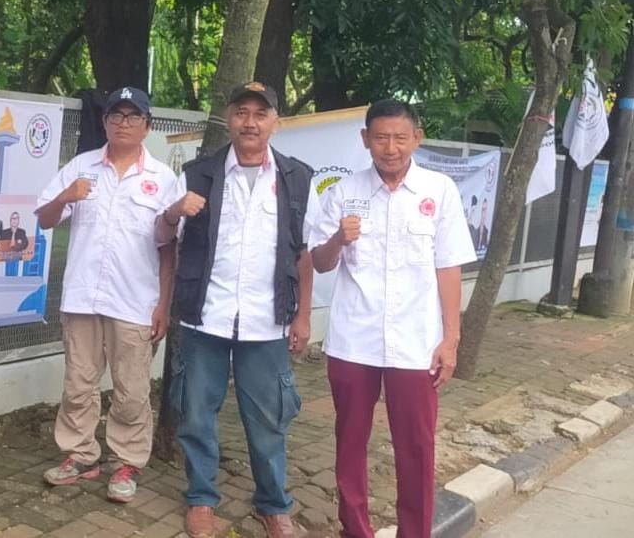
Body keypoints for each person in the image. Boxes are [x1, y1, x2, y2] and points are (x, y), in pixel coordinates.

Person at [310, 99, 475, 538]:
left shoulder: (439, 191)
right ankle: (355, 529)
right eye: (381, 137)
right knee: (350, 441)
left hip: (417, 343)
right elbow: (320, 262)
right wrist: (337, 240)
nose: (390, 148)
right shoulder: (343, 192)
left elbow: (449, 267)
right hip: (354, 340)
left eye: (400, 138)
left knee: (417, 445)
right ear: (365, 139)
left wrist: (451, 340)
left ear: (417, 138)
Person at [154, 82, 313, 538]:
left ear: (275, 122)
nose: (250, 122)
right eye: (242, 112)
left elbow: (304, 252)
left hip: (267, 320)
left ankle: (273, 505)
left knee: (269, 420)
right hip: (204, 314)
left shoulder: (297, 178)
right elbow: (163, 239)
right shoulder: (197, 175)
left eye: (260, 114)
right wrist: (172, 212)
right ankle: (201, 499)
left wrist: (302, 315)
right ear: (228, 119)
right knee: (196, 414)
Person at [36, 86, 177, 504]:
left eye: (133, 117)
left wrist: (164, 305)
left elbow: (169, 248)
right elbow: (44, 220)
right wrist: (66, 196)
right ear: (105, 122)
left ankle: (127, 462)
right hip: (82, 297)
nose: (123, 124)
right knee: (78, 383)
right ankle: (80, 455)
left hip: (135, 301)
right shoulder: (81, 167)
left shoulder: (163, 179)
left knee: (132, 390)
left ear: (147, 126)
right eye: (116, 116)